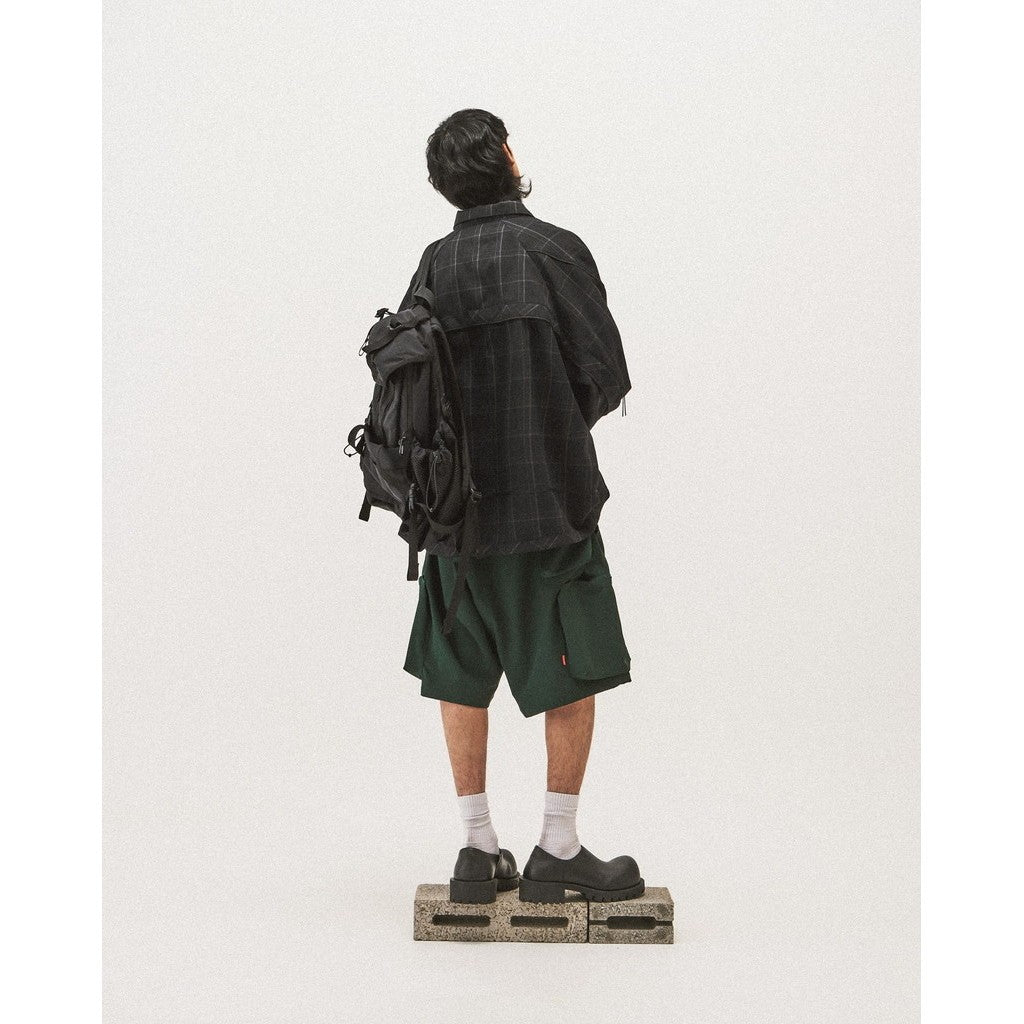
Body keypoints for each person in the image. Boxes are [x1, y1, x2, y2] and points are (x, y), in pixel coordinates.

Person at [398, 109, 644, 905]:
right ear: (507, 156)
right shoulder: (554, 250)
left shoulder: (434, 264)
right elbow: (605, 373)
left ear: (442, 183)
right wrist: (549, 427)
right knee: (573, 670)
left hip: (452, 522)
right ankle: (558, 847)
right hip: (550, 507)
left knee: (459, 672)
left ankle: (476, 851)